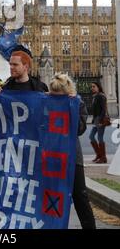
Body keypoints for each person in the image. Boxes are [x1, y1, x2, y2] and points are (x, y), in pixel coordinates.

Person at [49, 73, 96, 229]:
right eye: (53, 95)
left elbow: (80, 129)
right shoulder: (46, 102)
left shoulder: (77, 103)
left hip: (72, 157)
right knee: (51, 196)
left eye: (59, 96)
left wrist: (71, 106)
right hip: (51, 156)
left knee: (80, 196)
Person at [89, 82, 108, 164]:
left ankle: (103, 157)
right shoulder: (95, 96)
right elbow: (95, 110)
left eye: (94, 86)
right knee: (91, 136)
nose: (92, 88)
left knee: (100, 137)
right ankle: (99, 155)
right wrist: (94, 119)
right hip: (96, 119)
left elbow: (104, 109)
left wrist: (100, 120)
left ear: (98, 87)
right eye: (91, 87)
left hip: (100, 119)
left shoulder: (101, 96)